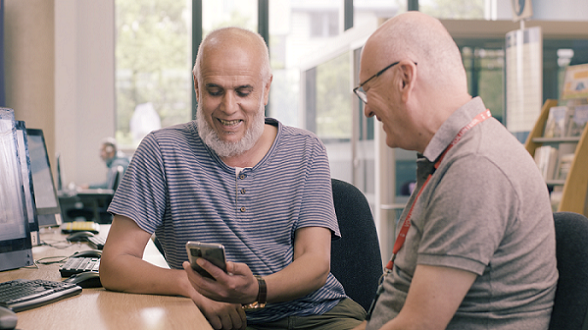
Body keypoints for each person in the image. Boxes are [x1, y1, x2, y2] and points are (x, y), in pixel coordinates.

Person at [99, 27, 366, 330]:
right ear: (197, 86)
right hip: (217, 321)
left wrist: (256, 291)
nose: (229, 108)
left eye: (243, 91)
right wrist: (189, 286)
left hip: (317, 315)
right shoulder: (161, 151)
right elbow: (115, 264)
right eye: (215, 91)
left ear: (266, 88)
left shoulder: (305, 149)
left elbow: (315, 263)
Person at [352, 12, 558, 330]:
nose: (366, 108)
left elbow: (418, 325)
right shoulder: (455, 158)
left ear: (404, 79)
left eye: (368, 88)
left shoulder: (476, 168)